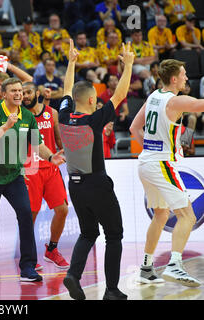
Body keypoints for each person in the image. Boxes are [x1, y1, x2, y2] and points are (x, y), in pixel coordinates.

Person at [0, 77, 66, 282]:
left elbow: (38, 144)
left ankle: (27, 267)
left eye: (20, 90)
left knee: (26, 215)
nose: (19, 94)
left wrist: (50, 157)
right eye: (14, 91)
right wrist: (5, 126)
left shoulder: (27, 116)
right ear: (4, 94)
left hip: (14, 176)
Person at [61, 40, 134, 300]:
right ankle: (111, 290)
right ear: (92, 99)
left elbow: (67, 89)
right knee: (114, 235)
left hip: (75, 185)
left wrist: (71, 62)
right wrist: (129, 65)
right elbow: (120, 94)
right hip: (97, 184)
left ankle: (73, 275)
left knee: (88, 232)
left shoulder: (64, 115)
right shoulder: (93, 120)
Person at [129, 59, 202, 287]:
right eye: (183, 74)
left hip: (145, 164)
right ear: (173, 79)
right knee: (187, 216)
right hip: (161, 164)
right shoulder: (174, 101)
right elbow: (200, 105)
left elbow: (134, 128)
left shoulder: (152, 97)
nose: (186, 78)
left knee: (161, 215)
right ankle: (175, 265)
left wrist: (151, 149)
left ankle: (146, 268)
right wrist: (160, 153)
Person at [21, 81, 69, 269]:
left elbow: (58, 141)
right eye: (22, 93)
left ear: (37, 93)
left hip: (50, 167)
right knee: (30, 216)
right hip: (30, 168)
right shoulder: (19, 116)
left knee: (62, 210)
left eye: (28, 92)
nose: (25, 96)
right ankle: (29, 258)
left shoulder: (52, 113)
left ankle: (52, 249)